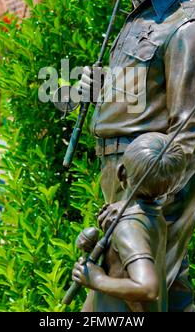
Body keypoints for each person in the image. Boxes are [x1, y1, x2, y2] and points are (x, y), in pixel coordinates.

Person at [79, 0, 195, 311]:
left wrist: (142, 197)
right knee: (168, 296)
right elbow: (146, 96)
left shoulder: (190, 28)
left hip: (150, 187)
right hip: (122, 179)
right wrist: (104, 91)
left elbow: (190, 135)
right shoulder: (142, 13)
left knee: (127, 301)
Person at [72, 132, 186, 312]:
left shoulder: (129, 228)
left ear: (120, 172)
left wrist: (96, 280)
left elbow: (148, 288)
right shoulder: (153, 215)